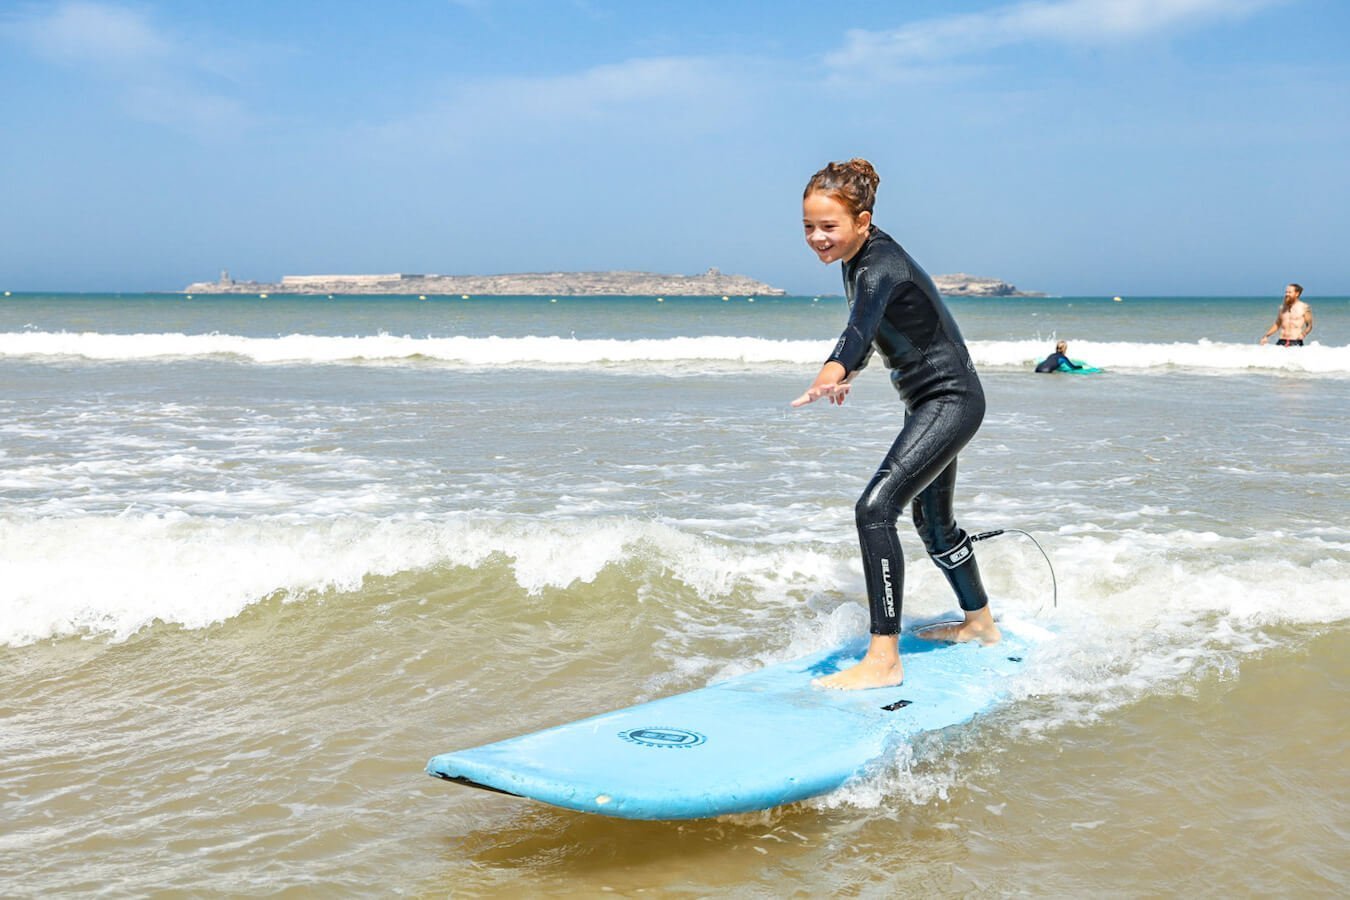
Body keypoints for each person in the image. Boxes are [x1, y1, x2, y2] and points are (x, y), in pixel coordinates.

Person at [792, 158, 998, 691]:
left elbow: (858, 328)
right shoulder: (857, 256)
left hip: (949, 401)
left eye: (828, 227)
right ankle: (979, 624)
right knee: (933, 526)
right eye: (808, 227)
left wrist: (832, 370)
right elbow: (874, 326)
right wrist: (850, 373)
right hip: (933, 403)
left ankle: (883, 659)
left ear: (862, 222)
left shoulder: (878, 263)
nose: (817, 237)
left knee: (875, 510)